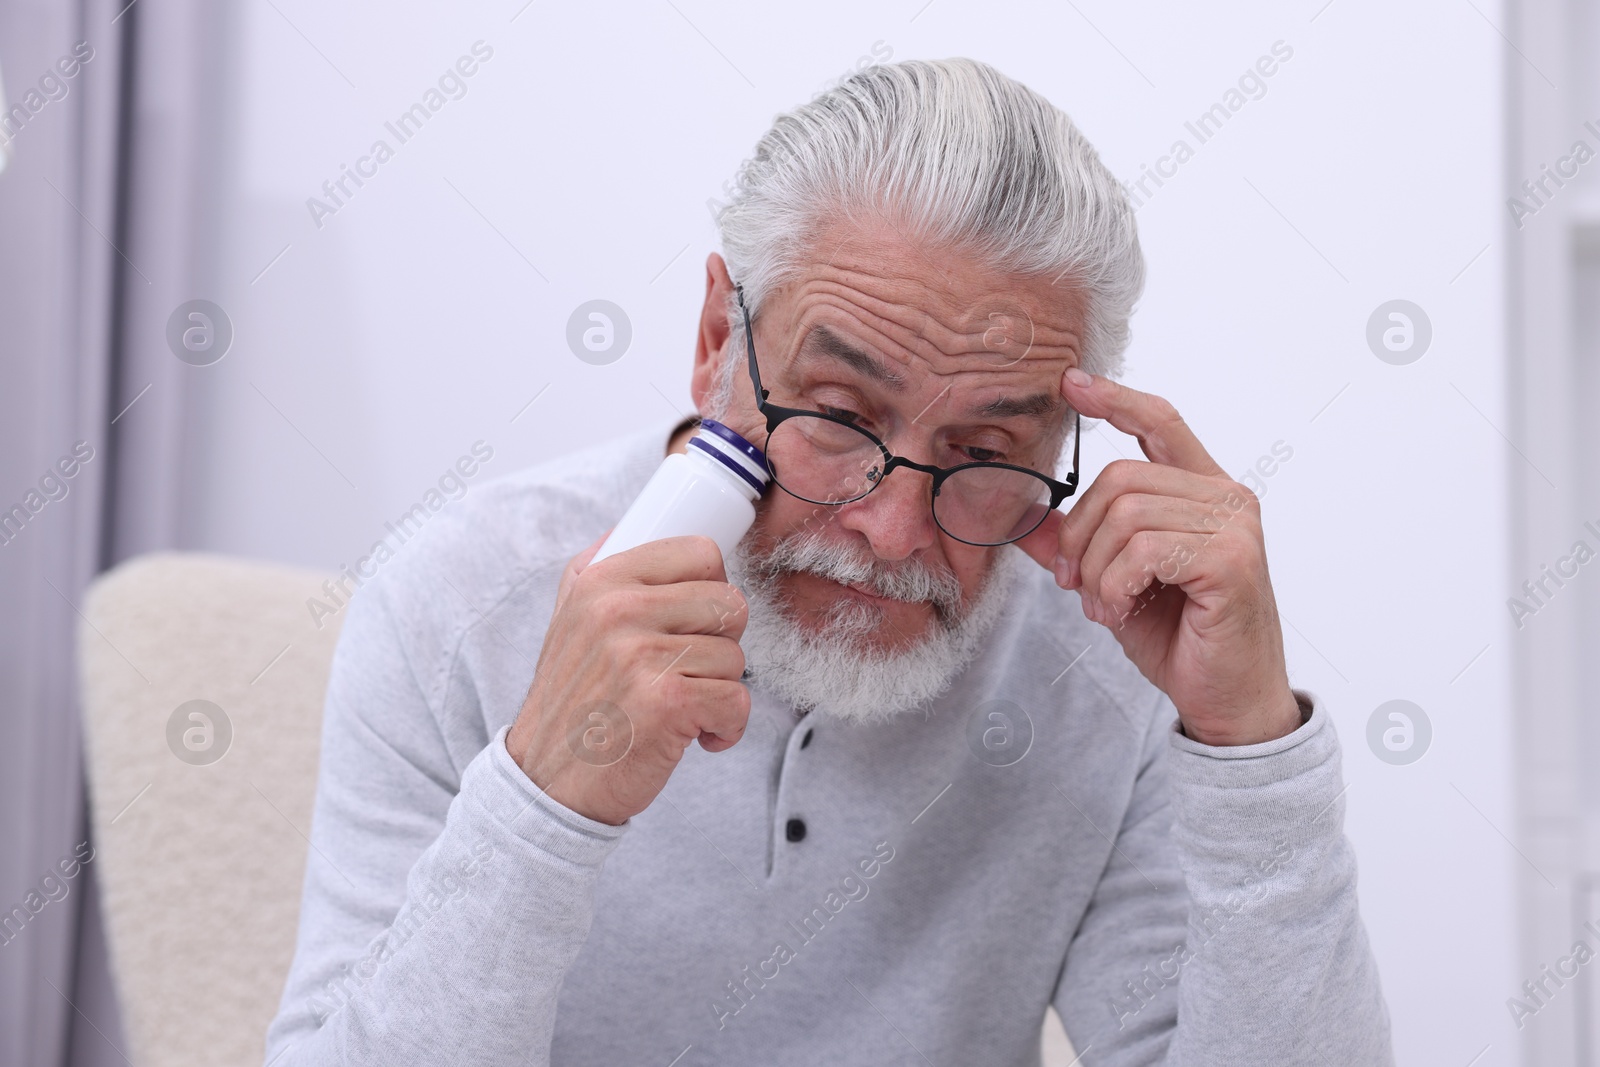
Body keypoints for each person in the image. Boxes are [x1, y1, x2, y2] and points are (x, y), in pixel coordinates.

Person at [264, 57, 1392, 1066]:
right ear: (718, 339)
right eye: (840, 413)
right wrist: (544, 801)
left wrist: (1250, 744)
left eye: (986, 452)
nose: (893, 527)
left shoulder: (1105, 664)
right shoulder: (456, 602)